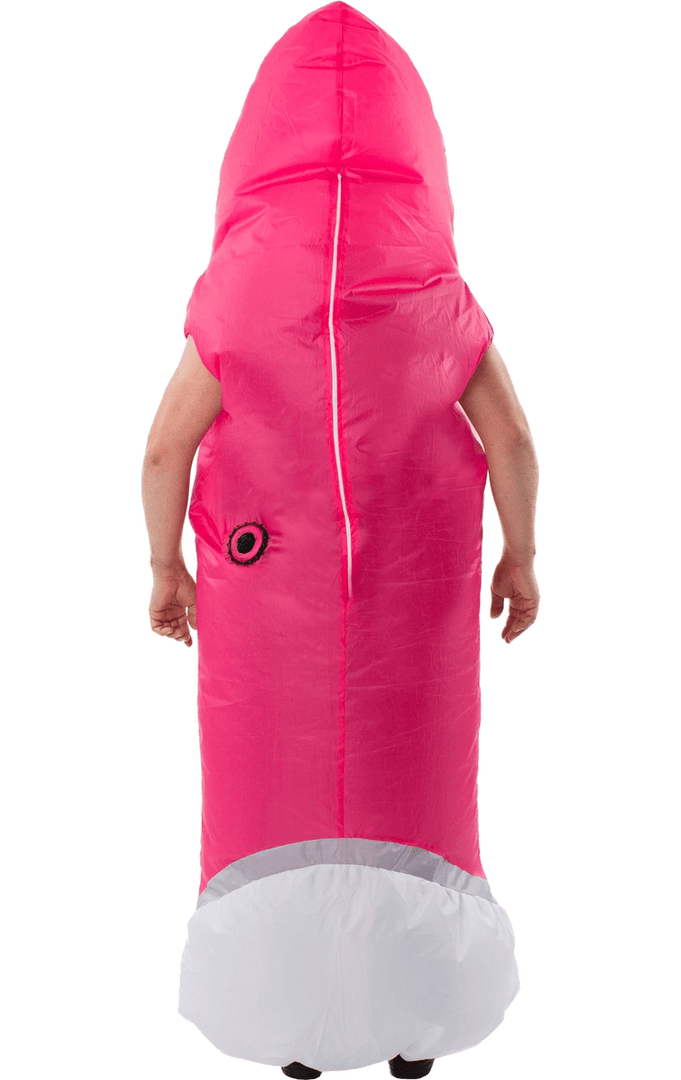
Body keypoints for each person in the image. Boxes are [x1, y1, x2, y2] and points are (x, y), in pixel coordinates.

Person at [143, 334, 539, 652]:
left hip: (267, 624)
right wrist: (520, 556)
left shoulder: (237, 307)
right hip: (410, 614)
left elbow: (164, 453)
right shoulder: (439, 301)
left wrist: (167, 569)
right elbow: (512, 439)